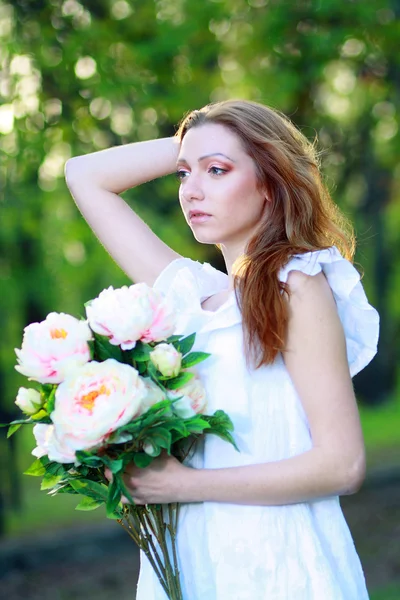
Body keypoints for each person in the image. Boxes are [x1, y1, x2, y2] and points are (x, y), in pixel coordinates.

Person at [65, 99, 379, 600]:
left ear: (271, 183)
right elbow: (84, 174)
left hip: (277, 565)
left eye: (217, 171)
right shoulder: (190, 296)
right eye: (184, 174)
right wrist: (197, 142)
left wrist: (180, 486)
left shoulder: (295, 284)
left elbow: (343, 465)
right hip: (190, 561)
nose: (192, 190)